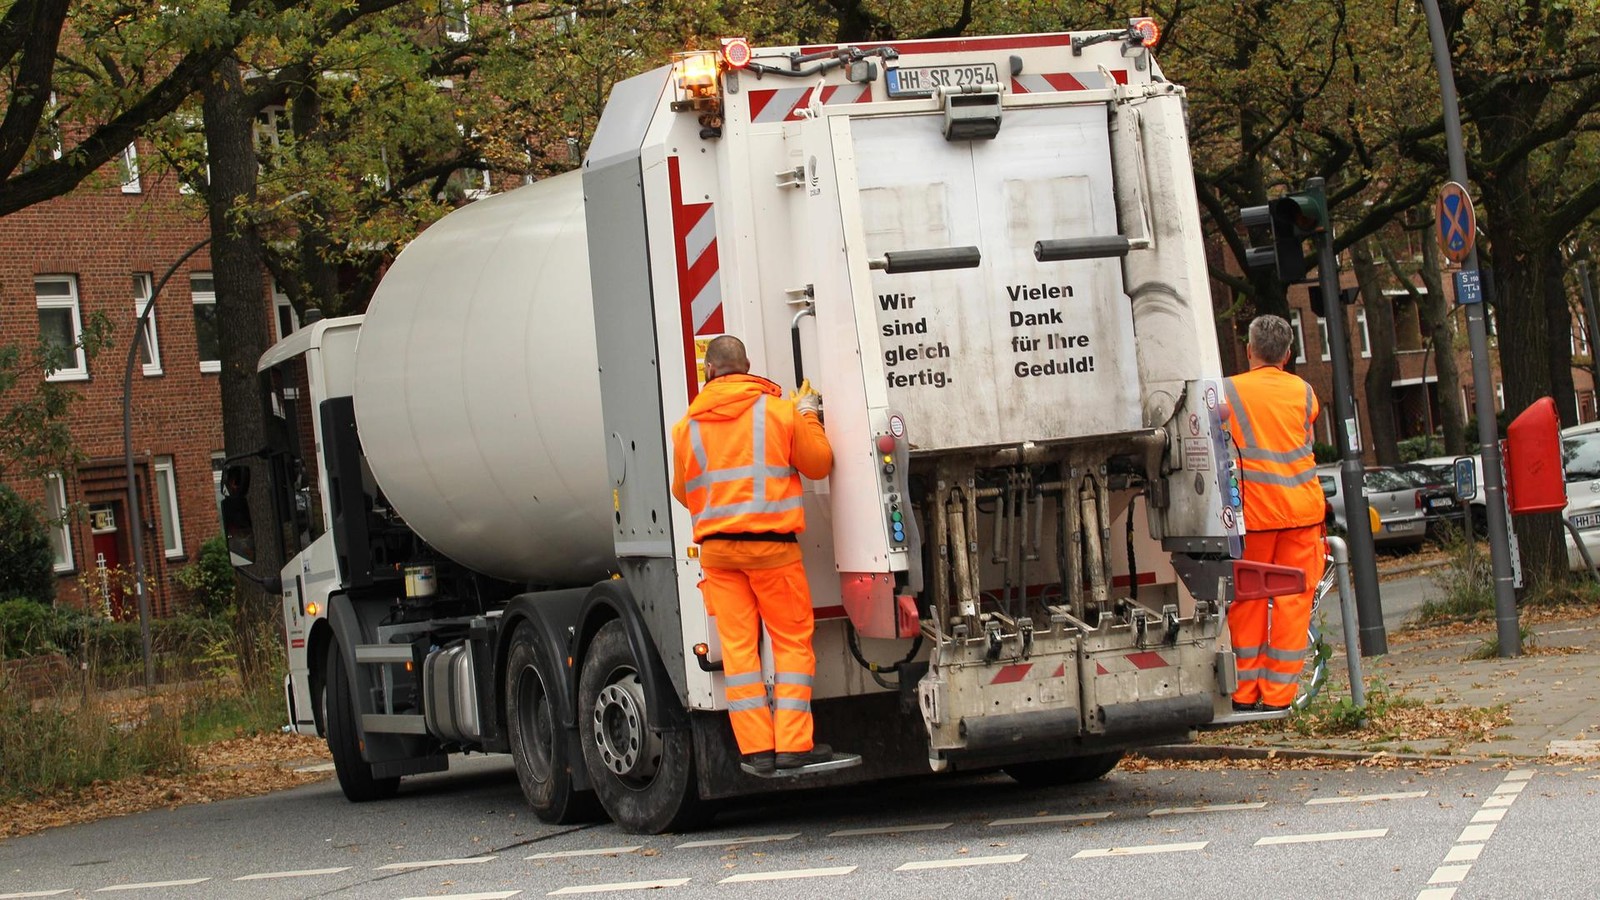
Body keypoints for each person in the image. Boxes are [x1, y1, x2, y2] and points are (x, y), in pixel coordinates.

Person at [670, 335, 836, 774]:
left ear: (710, 372)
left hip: (718, 554)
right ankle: (794, 745)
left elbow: (682, 491)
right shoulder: (778, 412)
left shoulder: (687, 426)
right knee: (790, 643)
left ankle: (757, 750)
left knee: (740, 653)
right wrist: (809, 416)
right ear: (747, 366)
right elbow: (819, 463)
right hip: (772, 550)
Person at [1223, 314, 1326, 712]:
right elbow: (1306, 438)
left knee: (1248, 601)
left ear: (1249, 350)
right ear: (1287, 353)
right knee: (1293, 603)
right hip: (1302, 513)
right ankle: (1279, 698)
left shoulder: (1229, 392)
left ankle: (1244, 695)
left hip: (1256, 517)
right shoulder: (1304, 393)